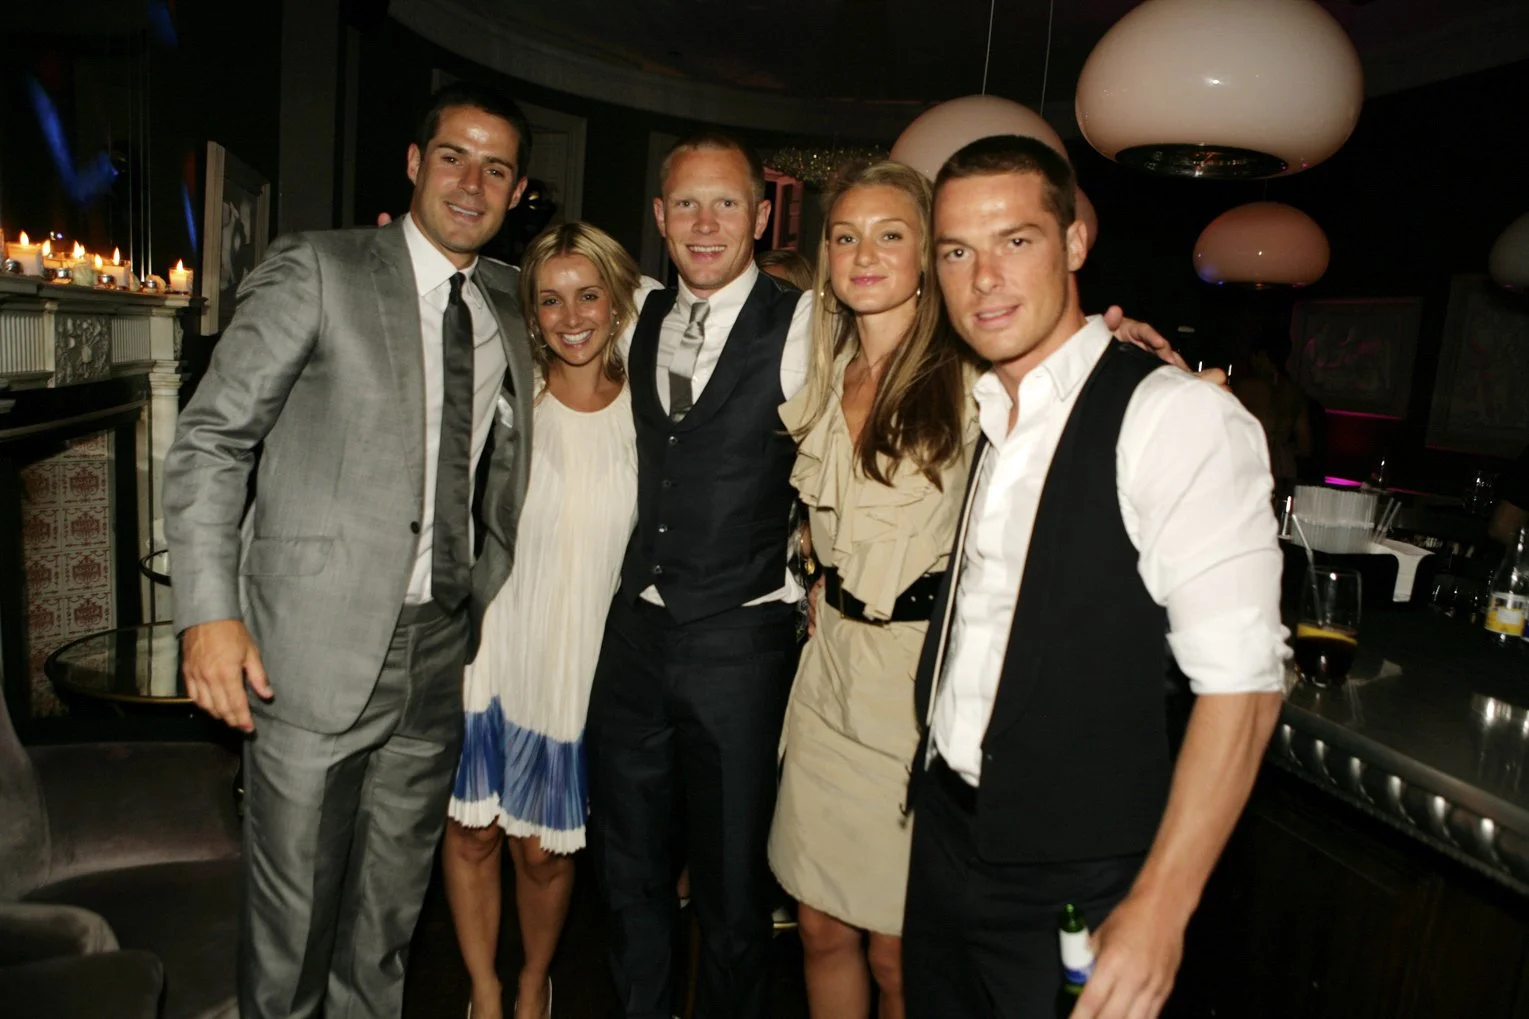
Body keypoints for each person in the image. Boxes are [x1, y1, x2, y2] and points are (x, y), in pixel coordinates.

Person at [163, 81, 536, 1019]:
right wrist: (209, 612)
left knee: (384, 924)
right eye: (453, 155)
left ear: (518, 189)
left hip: (437, 649)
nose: (470, 181)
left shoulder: (507, 300)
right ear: (414, 164)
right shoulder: (318, 270)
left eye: (496, 167)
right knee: (293, 927)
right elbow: (213, 439)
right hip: (309, 653)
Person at [902, 135, 1287, 1019]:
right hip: (946, 840)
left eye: (1016, 240)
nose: (983, 277)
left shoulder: (1173, 417)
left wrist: (1162, 903)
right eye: (957, 250)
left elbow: (1245, 688)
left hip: (1077, 875)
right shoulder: (985, 401)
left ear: (1074, 243)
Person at [585, 131, 813, 1019]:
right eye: (686, 203)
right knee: (630, 874)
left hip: (741, 643)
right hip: (635, 639)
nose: (705, 223)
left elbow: (921, 367)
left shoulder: (807, 323)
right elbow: (536, 304)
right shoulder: (634, 311)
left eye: (725, 203)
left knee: (729, 897)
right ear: (658, 217)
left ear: (759, 216)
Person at [768, 160, 975, 1019]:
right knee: (818, 923)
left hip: (915, 686)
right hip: (827, 670)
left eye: (889, 235)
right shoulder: (824, 364)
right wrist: (811, 567)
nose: (863, 253)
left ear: (928, 253)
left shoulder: (973, 373)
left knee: (898, 948)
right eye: (845, 235)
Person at [445, 223, 653, 1019]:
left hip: (577, 657)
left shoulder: (650, 411)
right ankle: (485, 989)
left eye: (589, 294)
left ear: (617, 299)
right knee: (471, 833)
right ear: (529, 311)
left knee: (541, 847)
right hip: (490, 642)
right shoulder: (509, 393)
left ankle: (535, 978)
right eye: (550, 298)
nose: (572, 316)